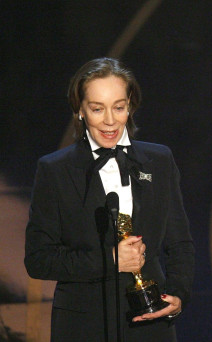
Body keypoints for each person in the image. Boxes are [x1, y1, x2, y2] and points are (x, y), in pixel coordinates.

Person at [25, 57, 195, 341]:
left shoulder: (159, 160)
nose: (109, 120)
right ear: (80, 110)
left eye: (118, 107)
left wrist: (177, 293)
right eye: (97, 109)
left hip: (150, 325)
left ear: (130, 105)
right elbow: (39, 260)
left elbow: (180, 243)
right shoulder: (54, 170)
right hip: (83, 326)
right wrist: (110, 260)